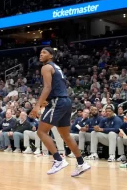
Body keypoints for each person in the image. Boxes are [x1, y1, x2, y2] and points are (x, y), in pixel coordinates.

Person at [31, 47, 90, 177]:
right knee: (66, 135)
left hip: (57, 101)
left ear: (51, 55)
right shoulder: (56, 67)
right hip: (65, 101)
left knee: (41, 131)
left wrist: (37, 106)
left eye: (44, 52)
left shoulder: (46, 67)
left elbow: (47, 87)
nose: (41, 54)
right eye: (40, 53)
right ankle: (81, 163)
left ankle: (58, 160)